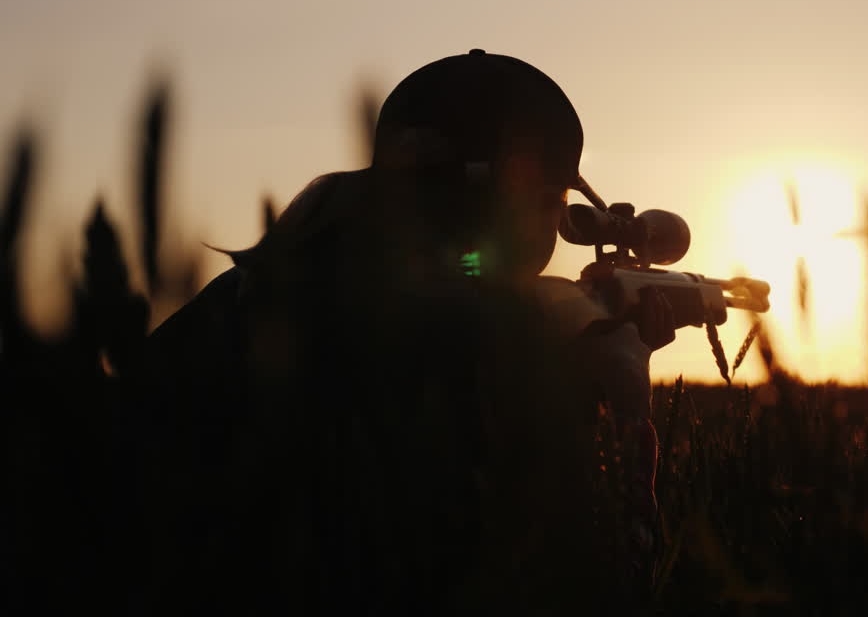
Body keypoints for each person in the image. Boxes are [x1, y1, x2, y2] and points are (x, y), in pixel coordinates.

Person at [135, 49, 673, 613]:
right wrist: (623, 385)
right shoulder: (468, 345)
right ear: (515, 199)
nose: (556, 228)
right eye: (554, 205)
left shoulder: (251, 287)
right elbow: (604, 580)